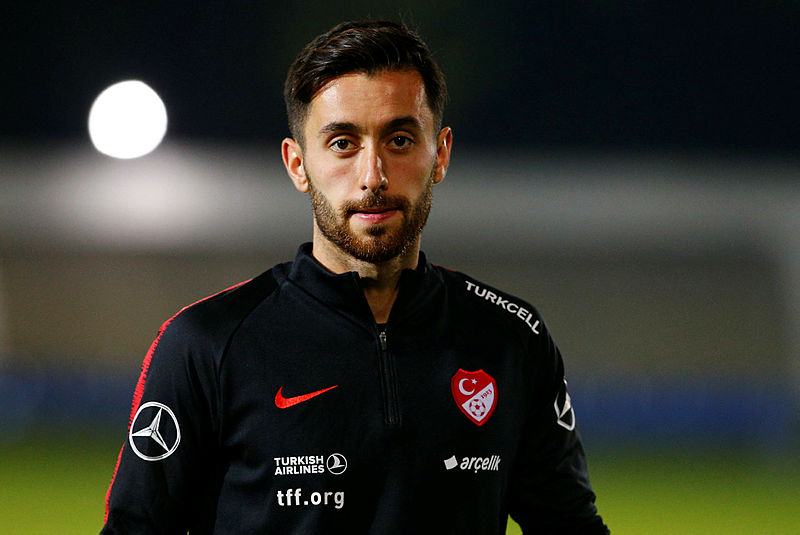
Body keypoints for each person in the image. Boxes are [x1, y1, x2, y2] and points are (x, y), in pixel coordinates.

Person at [101, 19, 609, 534]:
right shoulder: (206, 344)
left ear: (440, 155)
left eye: (400, 140)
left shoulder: (511, 339)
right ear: (298, 164)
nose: (373, 176)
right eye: (343, 143)